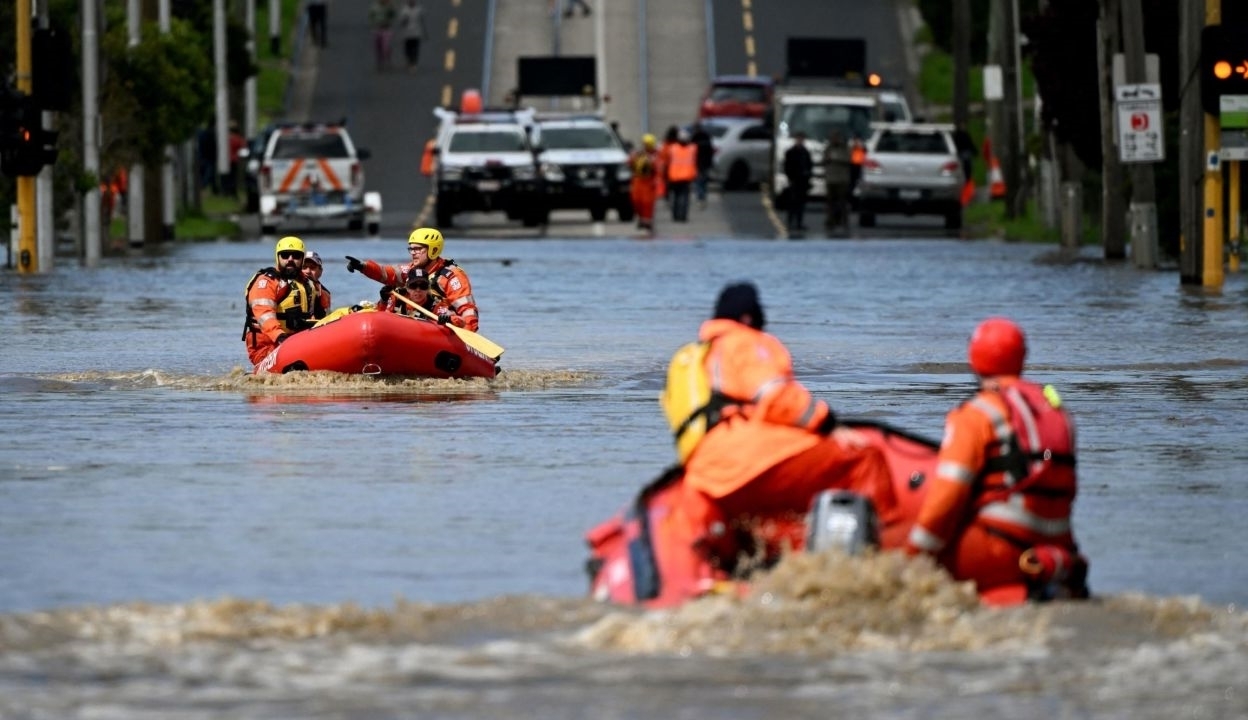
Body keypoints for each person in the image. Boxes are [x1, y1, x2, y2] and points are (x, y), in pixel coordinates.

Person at [660, 282, 898, 566]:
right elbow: (776, 396)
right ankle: (890, 555)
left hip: (706, 475)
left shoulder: (695, 358)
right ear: (748, 316)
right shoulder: (745, 341)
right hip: (749, 459)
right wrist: (829, 424)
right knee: (864, 458)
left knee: (771, 517)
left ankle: (776, 560)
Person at [905, 317, 1089, 603]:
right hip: (1059, 553)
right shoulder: (1057, 411)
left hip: (999, 551)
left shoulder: (977, 414)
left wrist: (913, 557)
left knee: (899, 535)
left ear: (974, 358)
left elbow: (948, 495)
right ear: (1022, 356)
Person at [345, 227, 480, 330]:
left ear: (433, 250)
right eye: (411, 249)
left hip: (442, 324)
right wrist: (363, 266)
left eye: (418, 249)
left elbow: (467, 309)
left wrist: (468, 334)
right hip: (411, 323)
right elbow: (387, 273)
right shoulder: (411, 270)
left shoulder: (452, 276)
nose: (413, 253)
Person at [242, 236, 317, 367]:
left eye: (296, 256)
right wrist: (280, 336)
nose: (290, 260)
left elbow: (315, 316)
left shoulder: (308, 284)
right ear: (278, 257)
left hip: (296, 341)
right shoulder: (267, 282)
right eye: (285, 255)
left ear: (302, 259)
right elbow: (264, 315)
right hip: (267, 346)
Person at [629, 133, 663, 236]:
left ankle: (647, 222)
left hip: (648, 182)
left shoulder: (656, 155)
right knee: (636, 201)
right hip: (637, 180)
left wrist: (657, 181)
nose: (646, 146)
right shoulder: (638, 154)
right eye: (645, 144)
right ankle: (641, 219)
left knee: (647, 203)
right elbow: (630, 163)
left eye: (647, 144)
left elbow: (658, 169)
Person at [822, 129, 853, 232]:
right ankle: (831, 221)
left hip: (842, 179)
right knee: (830, 203)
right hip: (831, 179)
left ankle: (844, 222)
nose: (834, 139)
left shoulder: (844, 148)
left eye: (836, 137)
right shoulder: (828, 148)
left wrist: (836, 158)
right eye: (832, 137)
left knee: (842, 203)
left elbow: (848, 159)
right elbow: (824, 160)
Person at [783, 131, 813, 232]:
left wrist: (808, 177)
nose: (800, 141)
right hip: (794, 180)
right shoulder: (791, 152)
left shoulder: (805, 152)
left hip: (803, 181)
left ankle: (799, 223)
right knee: (792, 202)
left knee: (801, 203)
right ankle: (790, 222)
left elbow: (809, 165)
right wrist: (790, 178)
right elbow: (787, 166)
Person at [665, 129, 697, 222]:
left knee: (675, 197)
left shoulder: (672, 148)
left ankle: (675, 216)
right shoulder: (692, 148)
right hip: (686, 177)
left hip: (674, 177)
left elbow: (667, 161)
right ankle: (682, 216)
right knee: (684, 198)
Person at [395, 0, 427, 73]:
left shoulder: (419, 9)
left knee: (415, 49)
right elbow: (401, 22)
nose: (412, 2)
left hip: (416, 33)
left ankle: (414, 63)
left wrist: (424, 32)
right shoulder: (404, 10)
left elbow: (422, 20)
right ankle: (409, 61)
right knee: (407, 49)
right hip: (407, 33)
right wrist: (404, 20)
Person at [302, 251, 332, 320]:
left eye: (312, 268)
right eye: (304, 267)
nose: (308, 271)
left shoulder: (326, 293)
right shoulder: (289, 287)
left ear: (320, 271)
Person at [369, 0, 398, 72]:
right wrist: (373, 23)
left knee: (386, 46)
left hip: (387, 29)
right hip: (377, 28)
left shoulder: (389, 7)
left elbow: (393, 14)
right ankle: (379, 63)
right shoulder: (375, 7)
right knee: (378, 47)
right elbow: (371, 16)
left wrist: (391, 9)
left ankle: (388, 60)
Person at [691, 123, 714, 208]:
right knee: (704, 181)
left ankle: (700, 197)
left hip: (698, 163)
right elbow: (710, 151)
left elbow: (692, 153)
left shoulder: (694, 138)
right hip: (706, 163)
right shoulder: (706, 137)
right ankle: (703, 197)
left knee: (698, 181)